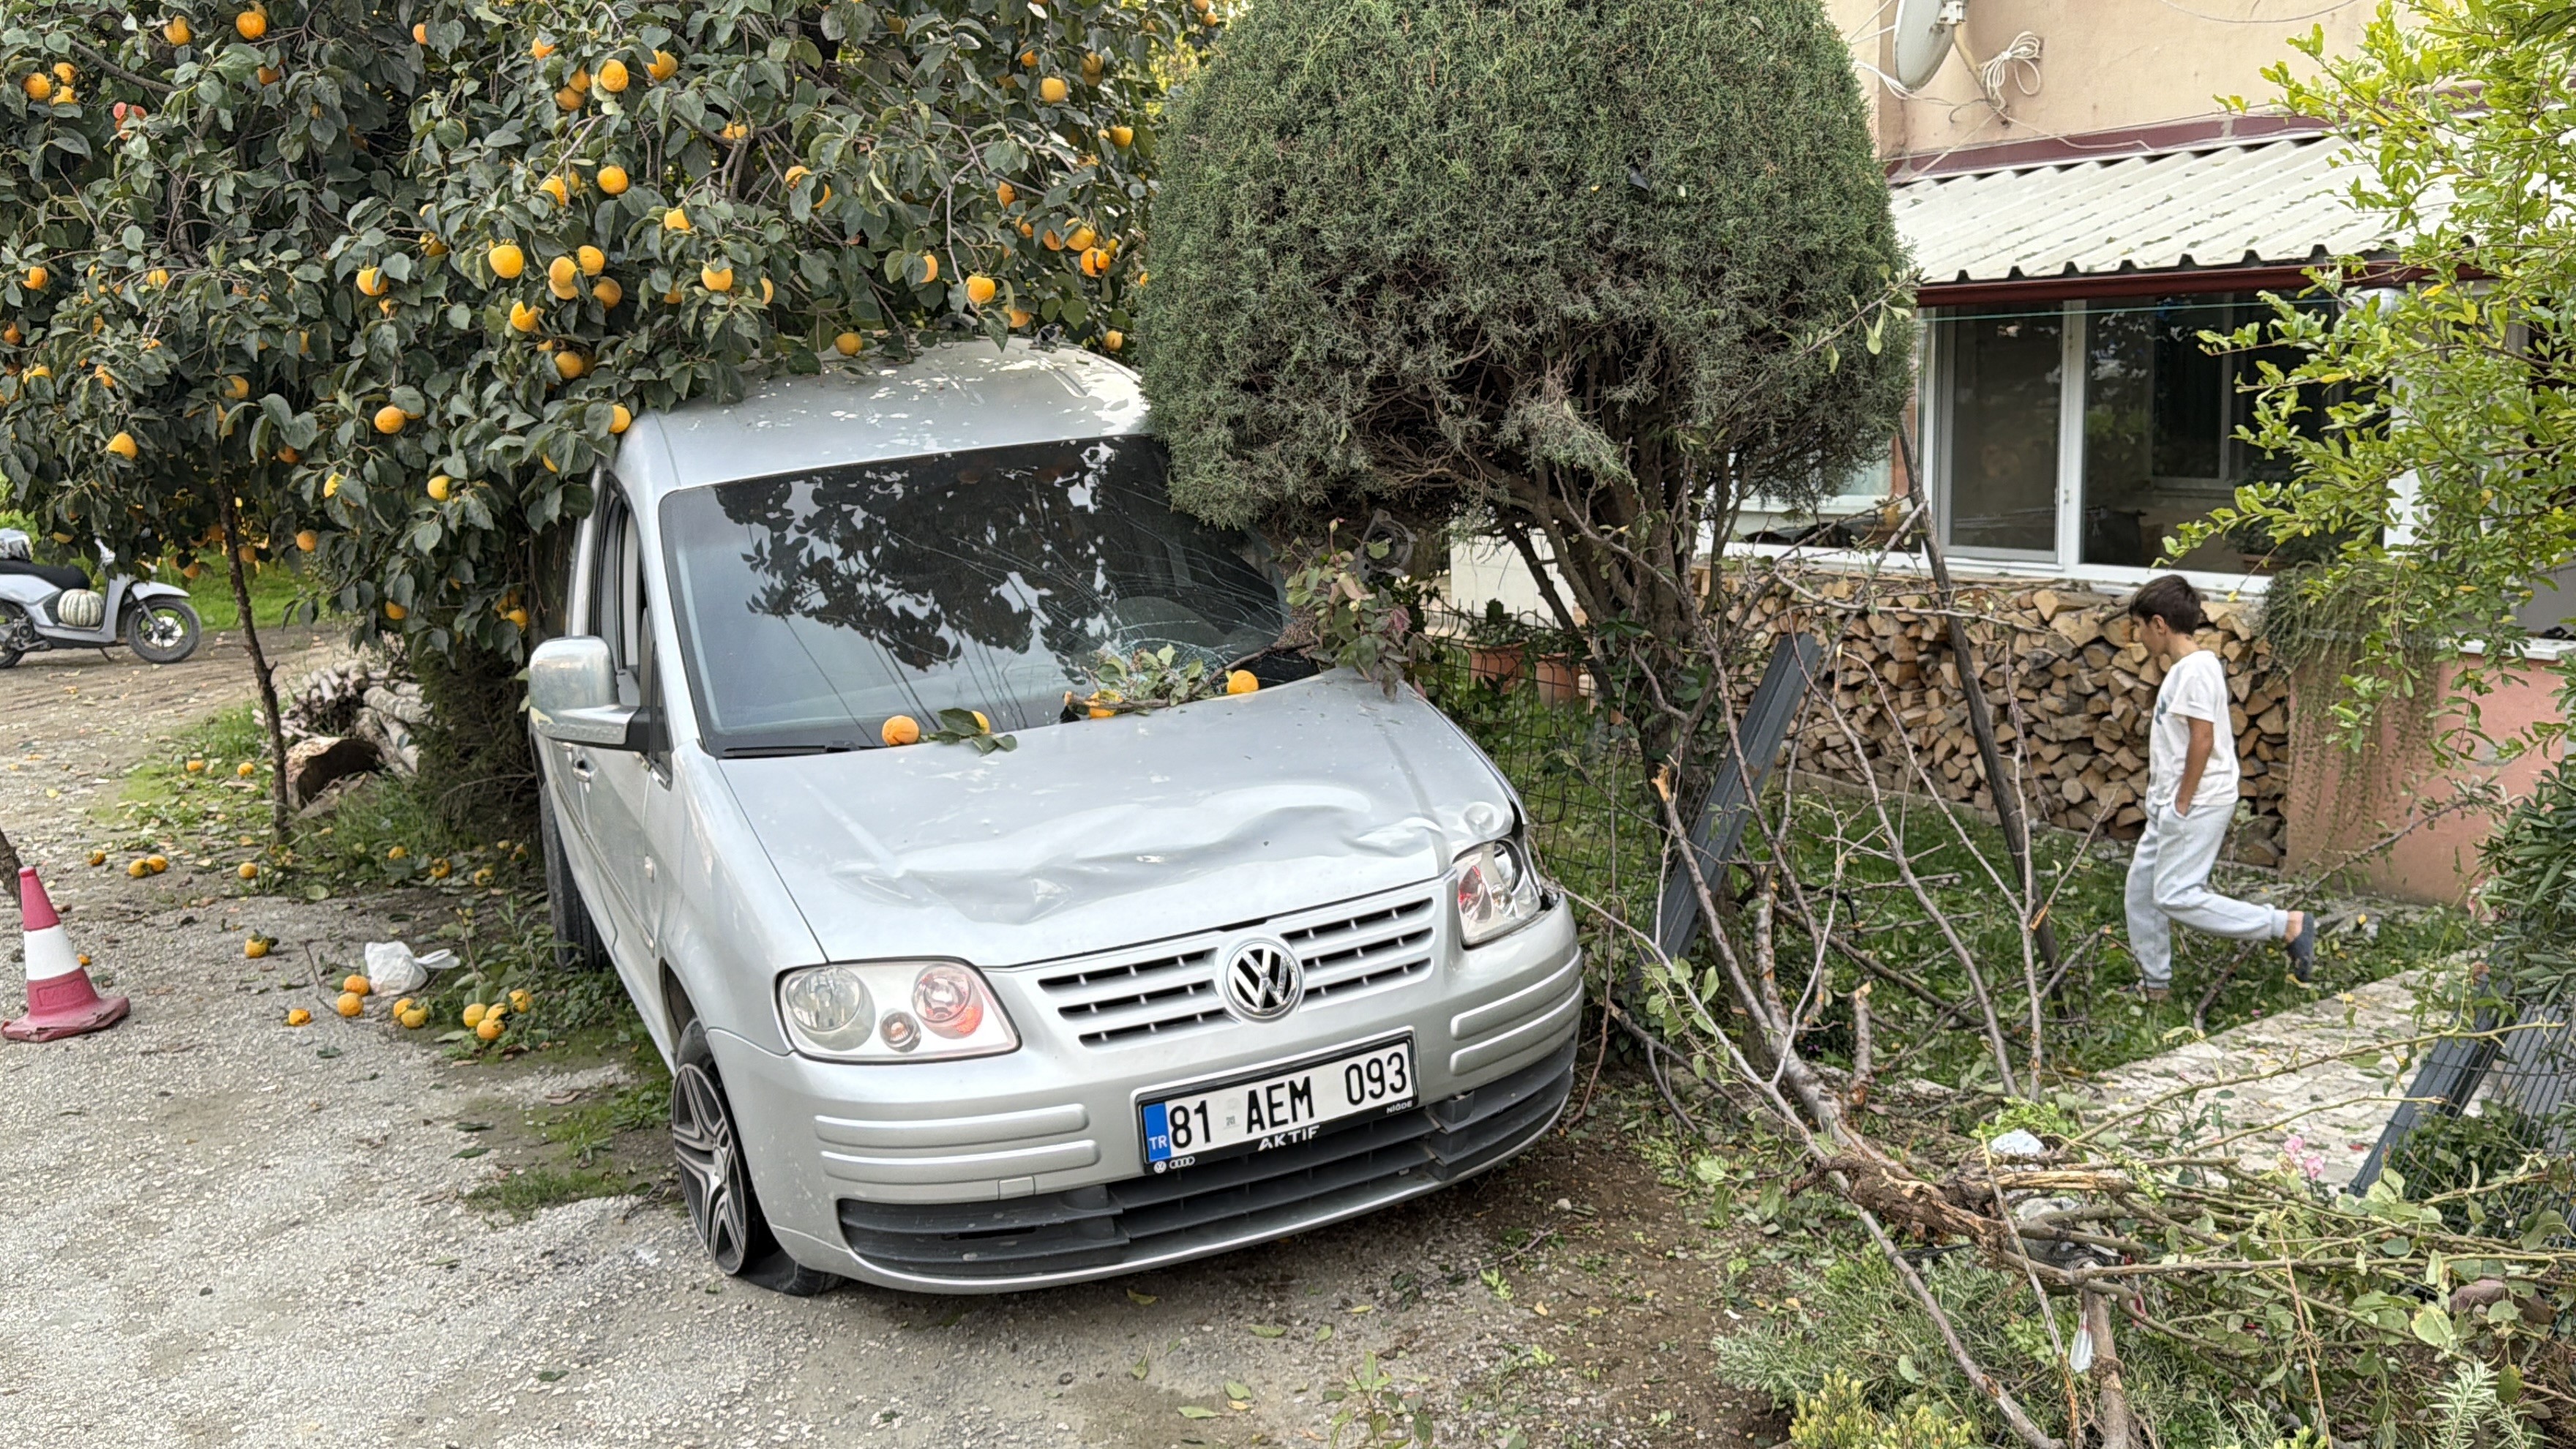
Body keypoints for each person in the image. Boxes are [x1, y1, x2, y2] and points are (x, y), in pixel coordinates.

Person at [2123, 574, 2314, 1002]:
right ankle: (2155, 986)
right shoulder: (2188, 669)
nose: (2137, 637)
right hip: (2170, 801)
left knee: (2175, 895)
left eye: (2138, 627)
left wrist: (2183, 802)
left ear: (2159, 624)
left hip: (2195, 801)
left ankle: (2285, 925)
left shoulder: (2195, 671)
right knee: (2141, 893)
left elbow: (2202, 739)